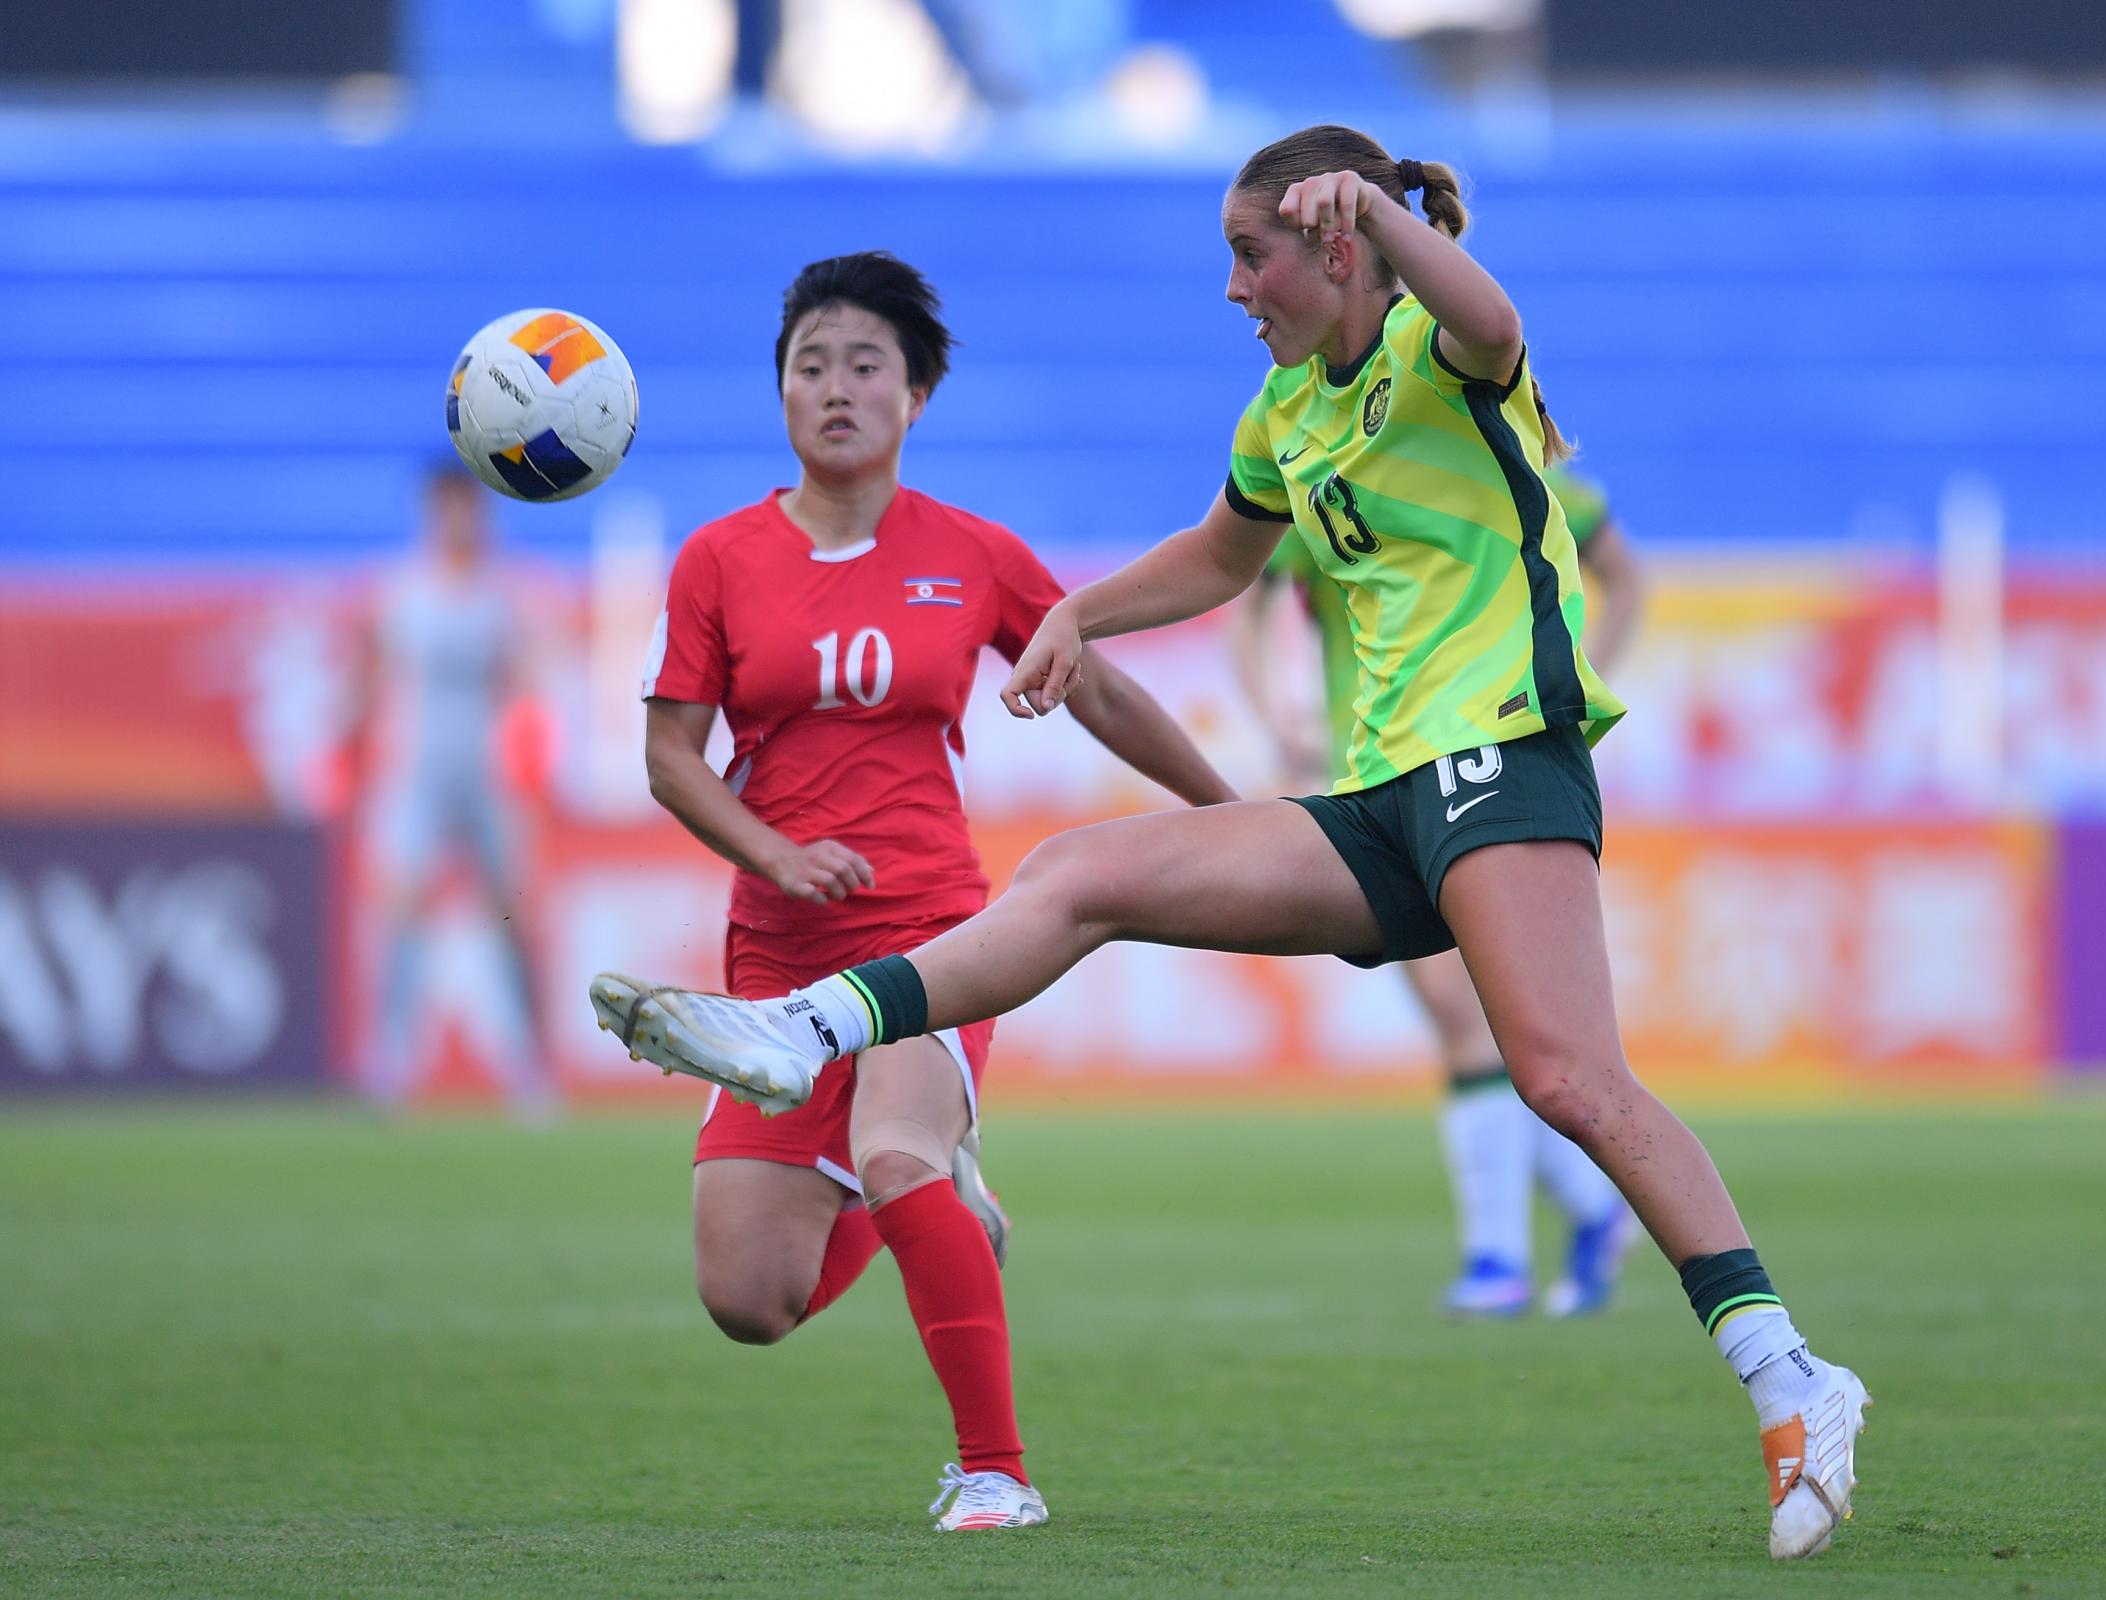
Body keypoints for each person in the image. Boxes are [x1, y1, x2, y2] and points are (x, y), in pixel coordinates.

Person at [593, 130, 1870, 1560]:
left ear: (1336, 246)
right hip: (1379, 802)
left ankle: (1793, 1378)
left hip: (1502, 761)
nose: (1232, 287)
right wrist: (1078, 612)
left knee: (1569, 1081)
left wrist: (1378, 205)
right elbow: (1218, 555)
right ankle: (809, 1027)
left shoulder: (1440, 353)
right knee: (1078, 874)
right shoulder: (1284, 410)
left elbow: (1496, 317)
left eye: (1250, 255)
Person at [603, 251, 1237, 1534]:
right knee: (749, 1298)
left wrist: (1232, 815)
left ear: (917, 395)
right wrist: (776, 855)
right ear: (781, 390)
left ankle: (996, 1470)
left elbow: (1101, 687)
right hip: (779, 951)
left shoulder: (972, 553)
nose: (836, 387)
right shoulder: (718, 559)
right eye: (811, 364)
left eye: (866, 364)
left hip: (930, 932)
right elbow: (672, 756)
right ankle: (947, 1201)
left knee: (893, 1152)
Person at [1227, 464, 1647, 1319]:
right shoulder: (1336, 471)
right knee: (1478, 1021)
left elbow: (1625, 578)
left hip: (1479, 774)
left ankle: (1500, 1258)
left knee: (1469, 1015)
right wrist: (1278, 720)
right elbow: (1246, 592)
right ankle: (1592, 1206)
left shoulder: (1523, 471)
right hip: (1369, 781)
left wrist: (1569, 691)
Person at [357, 465, 555, 1121]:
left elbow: (527, 679)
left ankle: (527, 1065)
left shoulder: (504, 594)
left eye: (468, 508)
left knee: (509, 913)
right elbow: (372, 676)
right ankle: (390, 1061)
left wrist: (531, 750)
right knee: (402, 906)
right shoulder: (401, 591)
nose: (459, 521)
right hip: (417, 767)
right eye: (447, 508)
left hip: (486, 768)